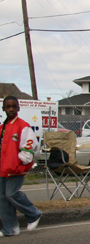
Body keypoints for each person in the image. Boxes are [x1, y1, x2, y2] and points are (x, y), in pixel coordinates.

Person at [0, 95, 41, 236]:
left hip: (15, 168)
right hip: (2, 168)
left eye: (14, 106)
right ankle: (10, 228)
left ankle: (33, 214)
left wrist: (21, 161)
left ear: (18, 108)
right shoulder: (3, 127)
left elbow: (30, 146)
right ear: (3, 108)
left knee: (11, 193)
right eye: (8, 106)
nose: (11, 109)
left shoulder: (23, 126)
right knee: (2, 198)